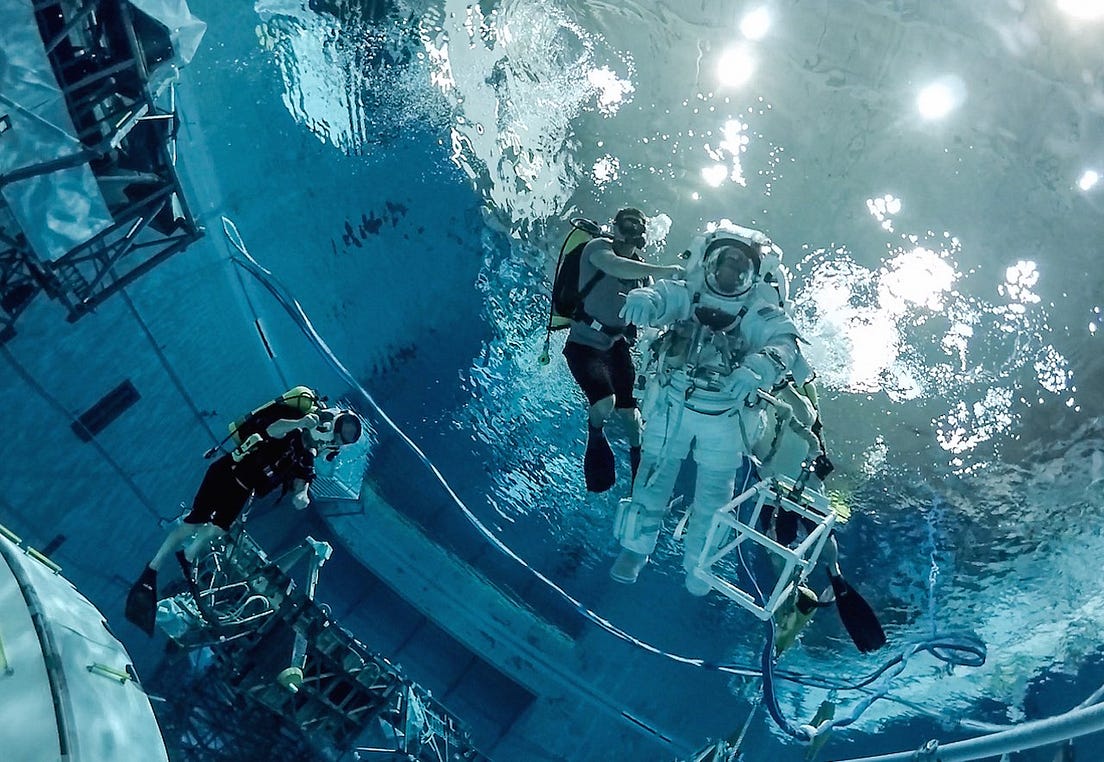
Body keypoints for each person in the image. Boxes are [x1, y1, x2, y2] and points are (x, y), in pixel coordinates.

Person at [611, 221, 812, 592]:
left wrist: (758, 368)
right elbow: (665, 296)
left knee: (714, 497)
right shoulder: (692, 291)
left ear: (754, 276)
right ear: (709, 263)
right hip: (673, 401)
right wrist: (645, 300)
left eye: (740, 269)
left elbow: (785, 344)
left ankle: (697, 566)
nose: (730, 274)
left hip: (726, 414)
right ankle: (635, 549)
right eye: (724, 264)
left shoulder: (758, 310)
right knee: (652, 477)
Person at [124, 402, 363, 635]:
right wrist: (300, 421)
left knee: (218, 529)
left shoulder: (306, 459)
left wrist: (302, 497)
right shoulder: (292, 431)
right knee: (194, 522)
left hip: (243, 491)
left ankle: (187, 556)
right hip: (226, 473)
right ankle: (153, 566)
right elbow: (273, 429)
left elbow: (303, 483)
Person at [752, 380, 886, 653]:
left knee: (788, 544)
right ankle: (810, 586)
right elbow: (812, 425)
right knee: (790, 544)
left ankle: (824, 579)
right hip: (792, 482)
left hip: (791, 483)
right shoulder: (787, 396)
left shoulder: (783, 396)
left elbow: (813, 424)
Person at [563, 207, 684, 493]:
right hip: (582, 344)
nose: (630, 232)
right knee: (604, 402)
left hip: (616, 346)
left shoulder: (642, 275)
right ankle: (595, 434)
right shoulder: (598, 247)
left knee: (631, 416)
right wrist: (666, 270)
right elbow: (614, 266)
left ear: (643, 234)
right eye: (625, 225)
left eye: (637, 227)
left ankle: (638, 462)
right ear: (614, 227)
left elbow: (656, 311)